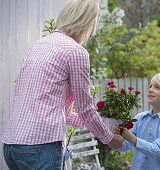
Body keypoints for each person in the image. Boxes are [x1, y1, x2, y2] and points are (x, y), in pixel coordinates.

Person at [2, 0, 124, 169]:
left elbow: (52, 108)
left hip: (12, 145)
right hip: (41, 146)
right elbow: (85, 109)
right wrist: (109, 138)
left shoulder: (38, 45)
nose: (92, 32)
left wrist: (100, 122)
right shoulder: (75, 52)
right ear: (88, 23)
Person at [115, 72, 160, 170]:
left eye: (157, 87)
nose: (150, 90)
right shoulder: (140, 118)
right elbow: (125, 145)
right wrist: (109, 136)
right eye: (150, 86)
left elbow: (156, 150)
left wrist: (131, 138)